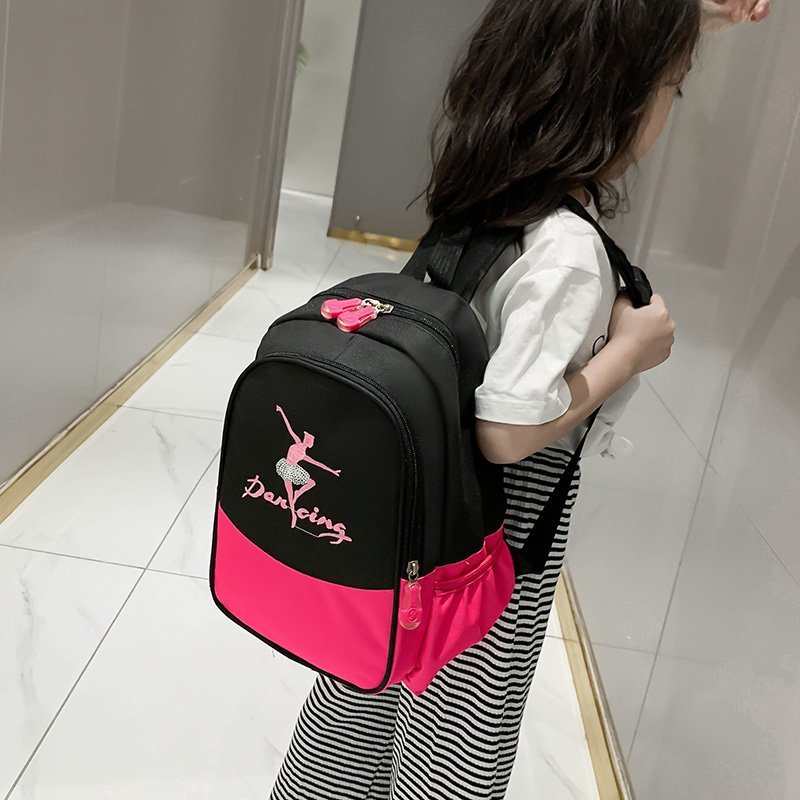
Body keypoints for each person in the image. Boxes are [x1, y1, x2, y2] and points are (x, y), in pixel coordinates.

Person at [268, 1, 769, 798]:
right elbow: (505, 430)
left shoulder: (483, 201)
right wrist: (632, 352)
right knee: (460, 731)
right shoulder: (569, 250)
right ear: (618, 97)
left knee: (366, 684)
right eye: (672, 86)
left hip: (414, 511)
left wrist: (689, 18)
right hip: (497, 537)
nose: (671, 106)